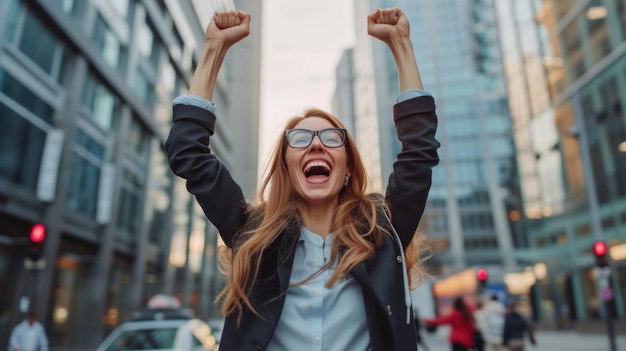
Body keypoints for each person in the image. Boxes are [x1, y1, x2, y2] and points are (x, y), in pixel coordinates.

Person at [165, 6, 439, 351]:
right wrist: (213, 49)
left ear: (349, 167)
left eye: (330, 138)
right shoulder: (253, 233)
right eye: (299, 139)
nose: (314, 145)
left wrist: (401, 45)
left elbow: (419, 153)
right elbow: (187, 152)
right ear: (287, 167)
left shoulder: (384, 232)